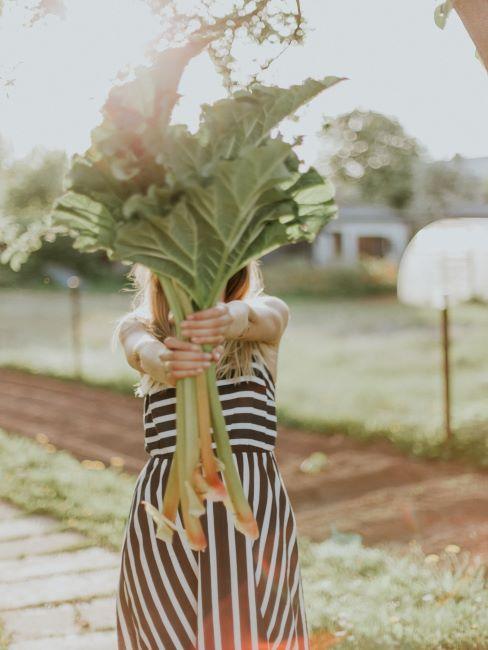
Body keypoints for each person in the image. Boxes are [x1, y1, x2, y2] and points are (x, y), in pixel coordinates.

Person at [116, 261, 309, 650]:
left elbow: (261, 318)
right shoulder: (141, 327)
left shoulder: (262, 326)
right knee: (168, 625)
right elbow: (140, 351)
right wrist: (169, 360)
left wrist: (227, 319)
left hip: (250, 509)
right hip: (169, 512)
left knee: (255, 629)